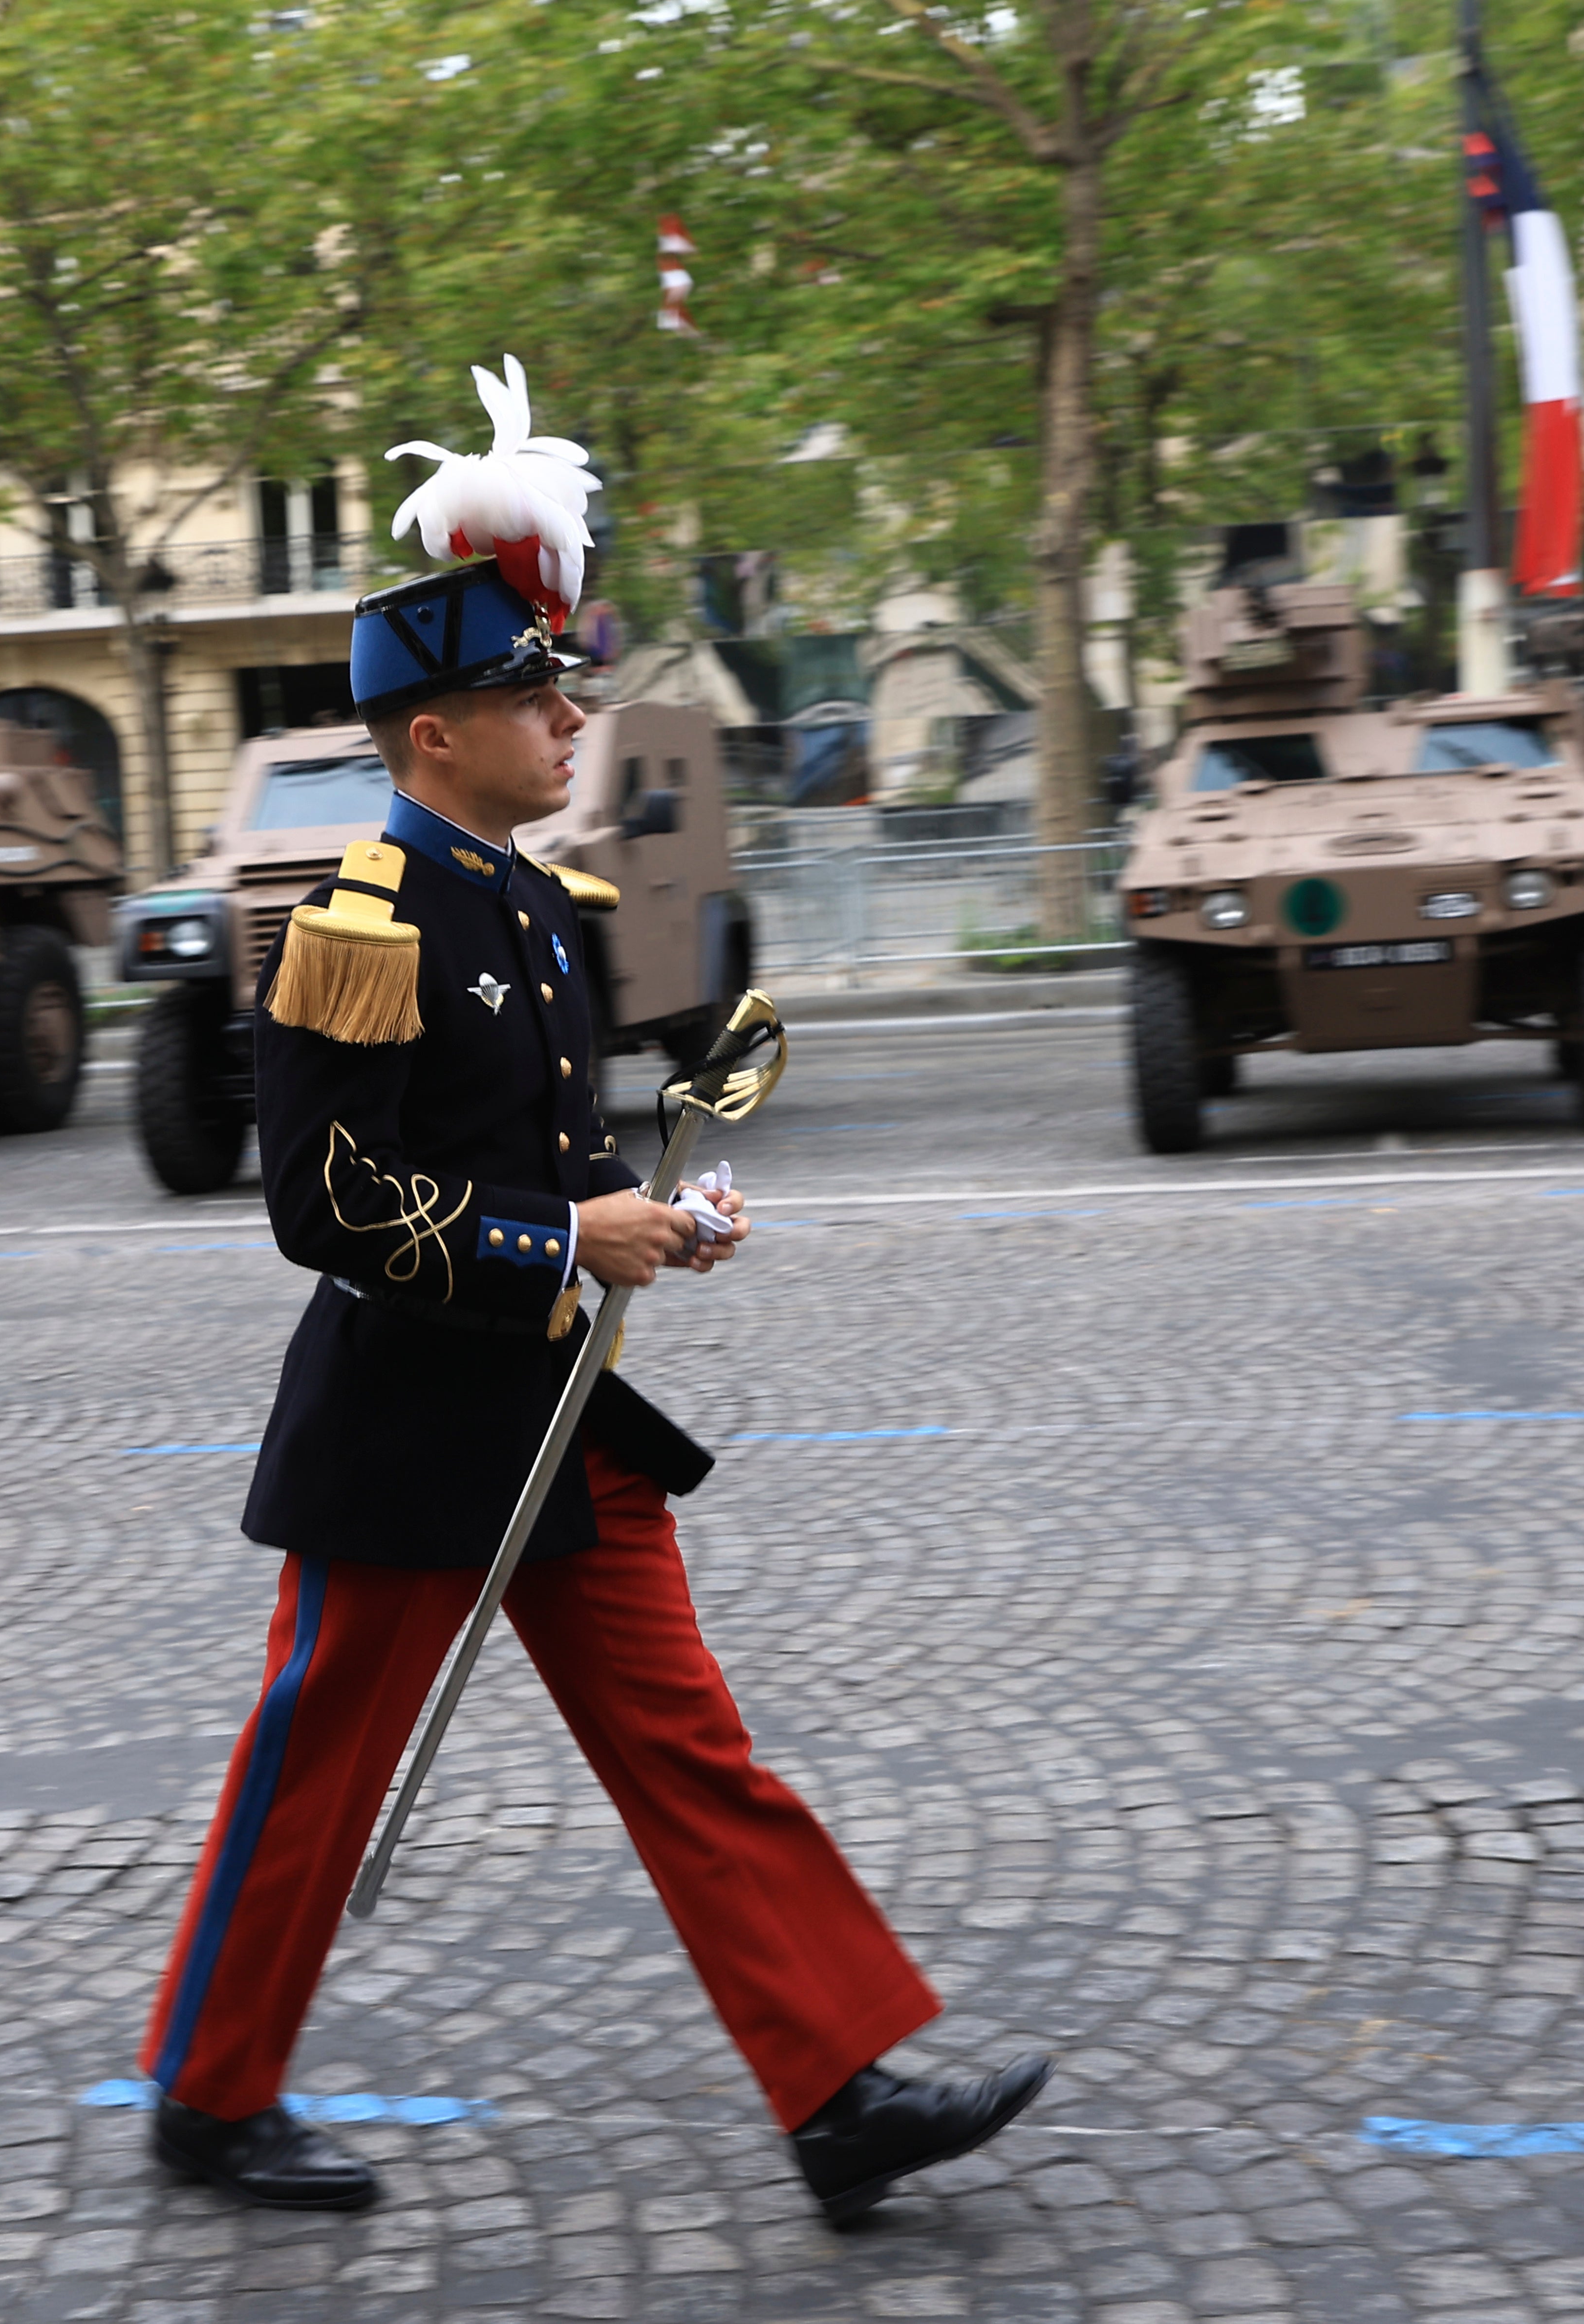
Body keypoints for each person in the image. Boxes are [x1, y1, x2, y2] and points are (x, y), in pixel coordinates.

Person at [134, 362, 1044, 2222]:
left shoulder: (532, 906)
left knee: (691, 1746)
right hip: (409, 1433)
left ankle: (838, 2086)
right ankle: (208, 2096)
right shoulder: (362, 915)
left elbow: (544, 1151)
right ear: (433, 733)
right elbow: (319, 1200)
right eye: (531, 698)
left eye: (562, 691)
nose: (568, 721)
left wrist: (646, 1213)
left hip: (560, 1422)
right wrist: (567, 1242)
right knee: (314, 1772)